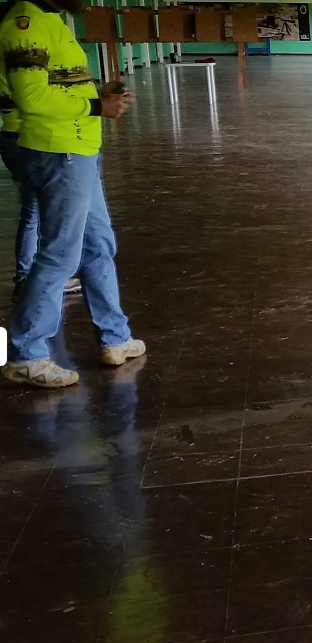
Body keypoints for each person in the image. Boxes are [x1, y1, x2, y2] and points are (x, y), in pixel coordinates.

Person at [2, 0, 143, 388]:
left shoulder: (53, 20)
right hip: (57, 150)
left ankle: (114, 337)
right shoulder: (25, 25)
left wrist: (99, 91)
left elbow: (57, 84)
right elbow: (30, 96)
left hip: (78, 148)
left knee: (98, 243)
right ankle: (25, 354)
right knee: (60, 254)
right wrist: (97, 104)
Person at [0, 23, 77, 302]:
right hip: (27, 136)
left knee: (34, 211)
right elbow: (36, 97)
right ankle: (29, 279)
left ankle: (31, 277)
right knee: (36, 212)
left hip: (11, 134)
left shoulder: (5, 47)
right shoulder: (21, 44)